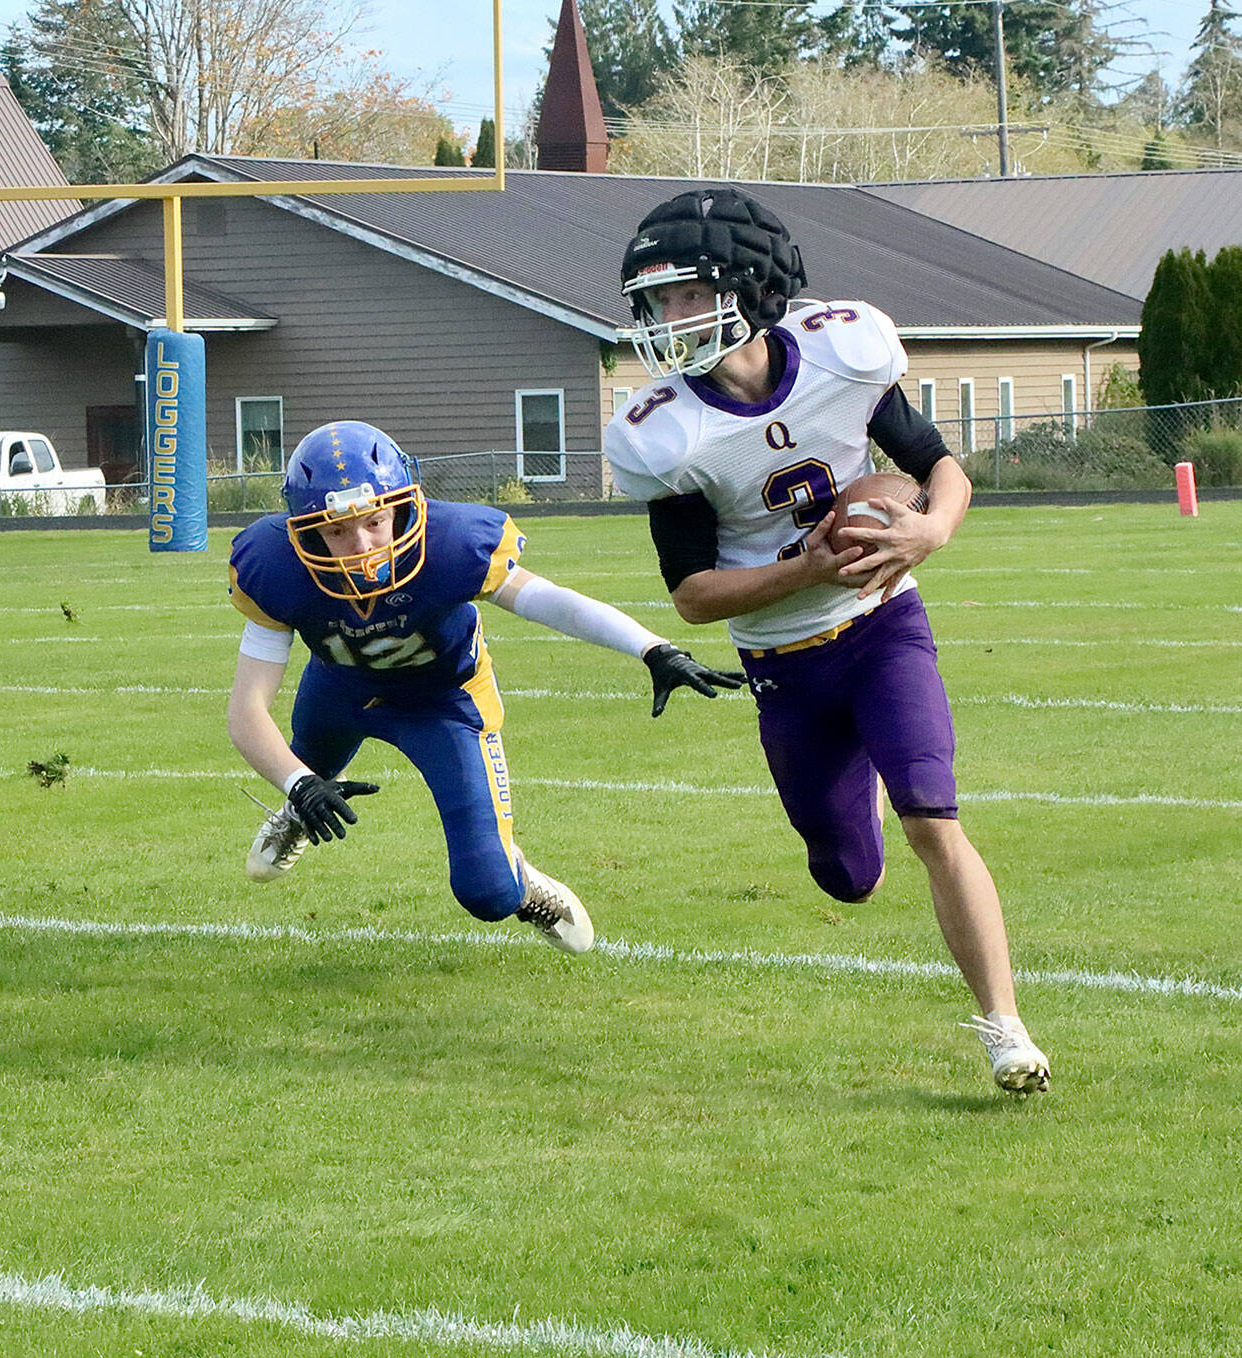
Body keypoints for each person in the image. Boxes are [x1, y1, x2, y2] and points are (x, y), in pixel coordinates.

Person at [603, 187, 1050, 1094]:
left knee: (934, 818)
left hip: (884, 625)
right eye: (658, 300)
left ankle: (1006, 1028)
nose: (669, 318)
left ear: (748, 287)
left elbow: (941, 469)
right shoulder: (669, 432)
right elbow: (692, 597)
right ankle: (860, 800)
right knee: (849, 876)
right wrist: (808, 568)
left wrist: (931, 531)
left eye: (687, 294)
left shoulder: (843, 352)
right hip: (783, 663)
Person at [226, 419, 744, 955]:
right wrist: (299, 785)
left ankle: (521, 879)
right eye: (337, 531)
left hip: (444, 702)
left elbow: (548, 600)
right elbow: (246, 711)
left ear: (403, 506)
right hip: (339, 690)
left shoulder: (451, 543)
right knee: (302, 769)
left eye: (375, 521)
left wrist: (650, 647)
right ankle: (298, 809)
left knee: (488, 892)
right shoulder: (273, 565)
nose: (362, 545)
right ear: (305, 531)